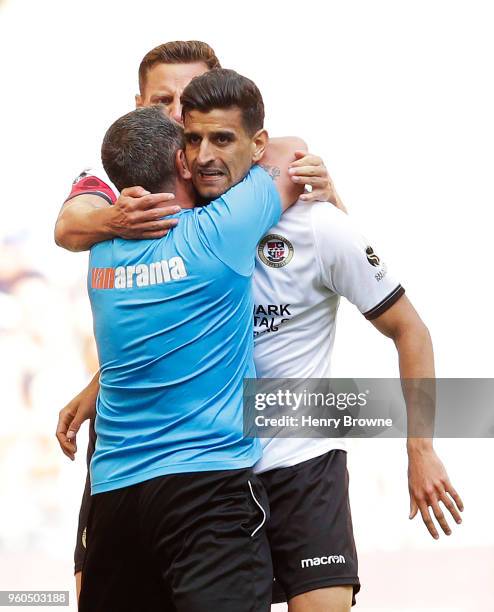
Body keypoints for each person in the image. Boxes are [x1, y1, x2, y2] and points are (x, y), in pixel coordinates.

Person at [56, 43, 464, 612]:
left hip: (292, 460)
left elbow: (409, 329)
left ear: (253, 140)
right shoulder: (133, 217)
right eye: (168, 108)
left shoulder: (306, 214)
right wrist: (99, 383)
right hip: (200, 473)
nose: (185, 128)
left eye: (201, 118)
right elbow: (78, 236)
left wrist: (420, 448)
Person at [77, 70, 305, 612]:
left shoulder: (100, 257)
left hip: (114, 498)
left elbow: (75, 224)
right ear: (181, 163)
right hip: (207, 493)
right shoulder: (218, 233)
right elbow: (291, 157)